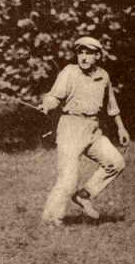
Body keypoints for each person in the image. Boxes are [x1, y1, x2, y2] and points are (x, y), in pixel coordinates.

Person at [39, 36, 130, 226]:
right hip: (70, 128)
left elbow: (112, 106)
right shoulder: (69, 72)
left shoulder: (103, 76)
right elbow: (55, 96)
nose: (84, 57)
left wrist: (121, 127)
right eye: (80, 52)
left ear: (97, 56)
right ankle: (50, 219)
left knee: (116, 162)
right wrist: (47, 104)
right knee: (68, 178)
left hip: (93, 129)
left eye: (89, 53)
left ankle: (84, 195)